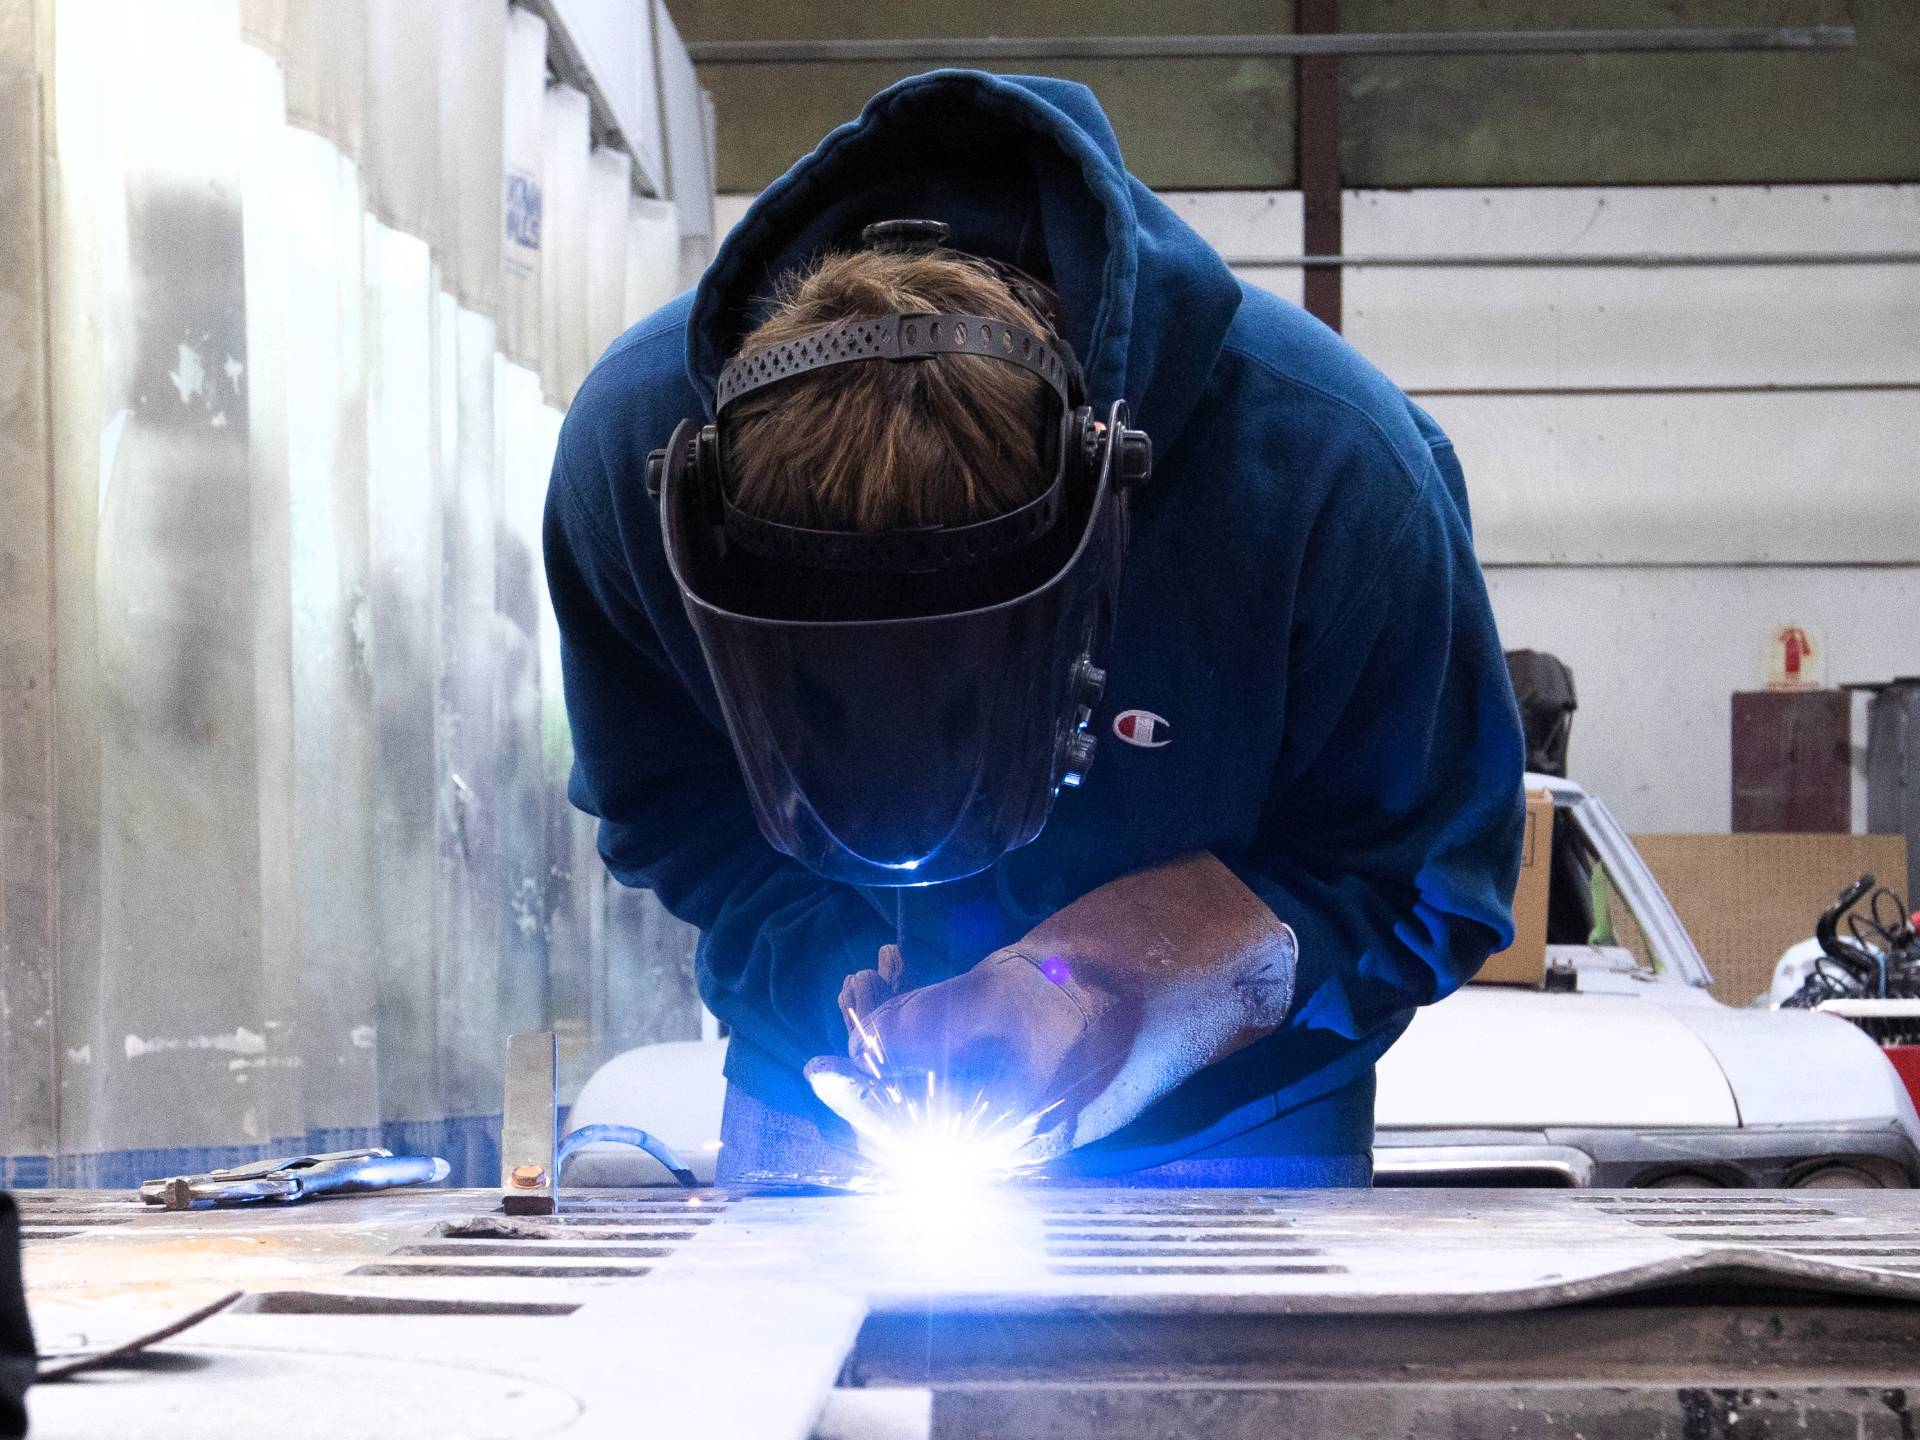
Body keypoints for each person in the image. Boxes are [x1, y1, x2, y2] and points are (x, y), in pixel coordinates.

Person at [544, 70, 1525, 1189]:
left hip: (1224, 1125)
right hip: (824, 1095)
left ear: (1106, 529)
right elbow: (671, 811)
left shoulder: (1334, 481)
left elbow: (1421, 874)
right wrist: (835, 984)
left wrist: (1108, 982)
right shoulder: (632, 467)